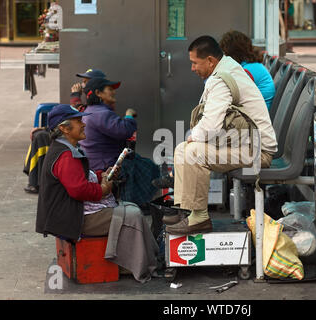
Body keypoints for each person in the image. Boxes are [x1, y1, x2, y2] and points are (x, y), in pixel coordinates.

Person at [165, 35, 278, 235]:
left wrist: (192, 136)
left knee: (192, 152)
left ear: (210, 61)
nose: (192, 68)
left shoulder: (221, 80)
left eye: (194, 63)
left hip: (258, 152)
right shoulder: (227, 67)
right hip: (248, 144)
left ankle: (199, 218)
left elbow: (211, 126)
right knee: (183, 149)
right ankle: (189, 211)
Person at [35, 104, 158, 283]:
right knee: (132, 215)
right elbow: (79, 190)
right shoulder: (65, 155)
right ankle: (140, 265)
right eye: (78, 121)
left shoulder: (68, 149)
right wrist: (102, 189)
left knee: (130, 209)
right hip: (74, 219)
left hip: (75, 212)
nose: (83, 124)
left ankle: (146, 258)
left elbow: (82, 179)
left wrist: (103, 176)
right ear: (64, 128)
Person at [23, 69, 107, 194]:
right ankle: (35, 180)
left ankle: (36, 182)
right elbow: (71, 120)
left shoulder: (97, 105)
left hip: (83, 140)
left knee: (41, 137)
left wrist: (75, 96)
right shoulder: (65, 153)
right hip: (70, 132)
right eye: (83, 81)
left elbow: (76, 117)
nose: (82, 85)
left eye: (86, 82)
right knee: (39, 135)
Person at [80, 78, 159, 205]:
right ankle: (135, 205)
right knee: (149, 168)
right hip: (105, 165)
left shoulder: (91, 110)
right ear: (98, 93)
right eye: (110, 89)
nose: (114, 92)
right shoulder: (101, 113)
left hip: (96, 162)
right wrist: (129, 115)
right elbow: (125, 130)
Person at [219, 30, 275, 110]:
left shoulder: (247, 71)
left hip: (254, 118)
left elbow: (231, 96)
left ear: (233, 53)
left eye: (225, 53)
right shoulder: (252, 65)